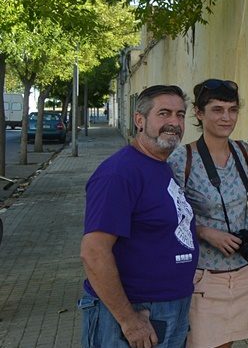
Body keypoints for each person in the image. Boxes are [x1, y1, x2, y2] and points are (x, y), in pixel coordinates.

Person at [79, 84, 196, 348]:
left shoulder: (160, 166)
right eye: (164, 113)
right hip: (137, 313)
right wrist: (128, 319)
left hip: (169, 308)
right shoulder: (119, 173)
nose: (174, 122)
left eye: (180, 115)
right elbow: (93, 252)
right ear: (139, 120)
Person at [167, 79, 248, 348]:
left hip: (243, 272)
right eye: (217, 110)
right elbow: (167, 216)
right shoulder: (181, 159)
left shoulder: (245, 151)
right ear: (198, 113)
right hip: (202, 277)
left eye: (232, 110)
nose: (226, 118)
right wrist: (205, 232)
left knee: (227, 343)